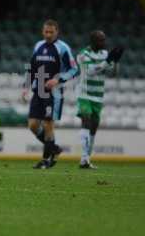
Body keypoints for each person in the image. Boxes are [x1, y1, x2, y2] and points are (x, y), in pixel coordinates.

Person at [22, 19, 79, 169]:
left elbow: (74, 70)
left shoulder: (63, 48)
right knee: (33, 125)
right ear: (42, 31)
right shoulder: (38, 46)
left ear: (56, 32)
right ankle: (54, 148)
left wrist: (58, 79)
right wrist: (26, 86)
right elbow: (32, 68)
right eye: (46, 32)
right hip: (37, 91)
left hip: (53, 94)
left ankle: (46, 159)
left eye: (51, 32)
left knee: (48, 125)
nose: (48, 35)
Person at [76, 31, 124, 169]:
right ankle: (84, 159)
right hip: (85, 94)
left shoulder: (104, 54)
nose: (104, 43)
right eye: (100, 40)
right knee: (86, 120)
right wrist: (108, 60)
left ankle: (86, 159)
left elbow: (113, 73)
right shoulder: (83, 54)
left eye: (104, 39)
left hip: (98, 96)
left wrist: (116, 62)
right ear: (92, 41)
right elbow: (91, 71)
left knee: (94, 127)